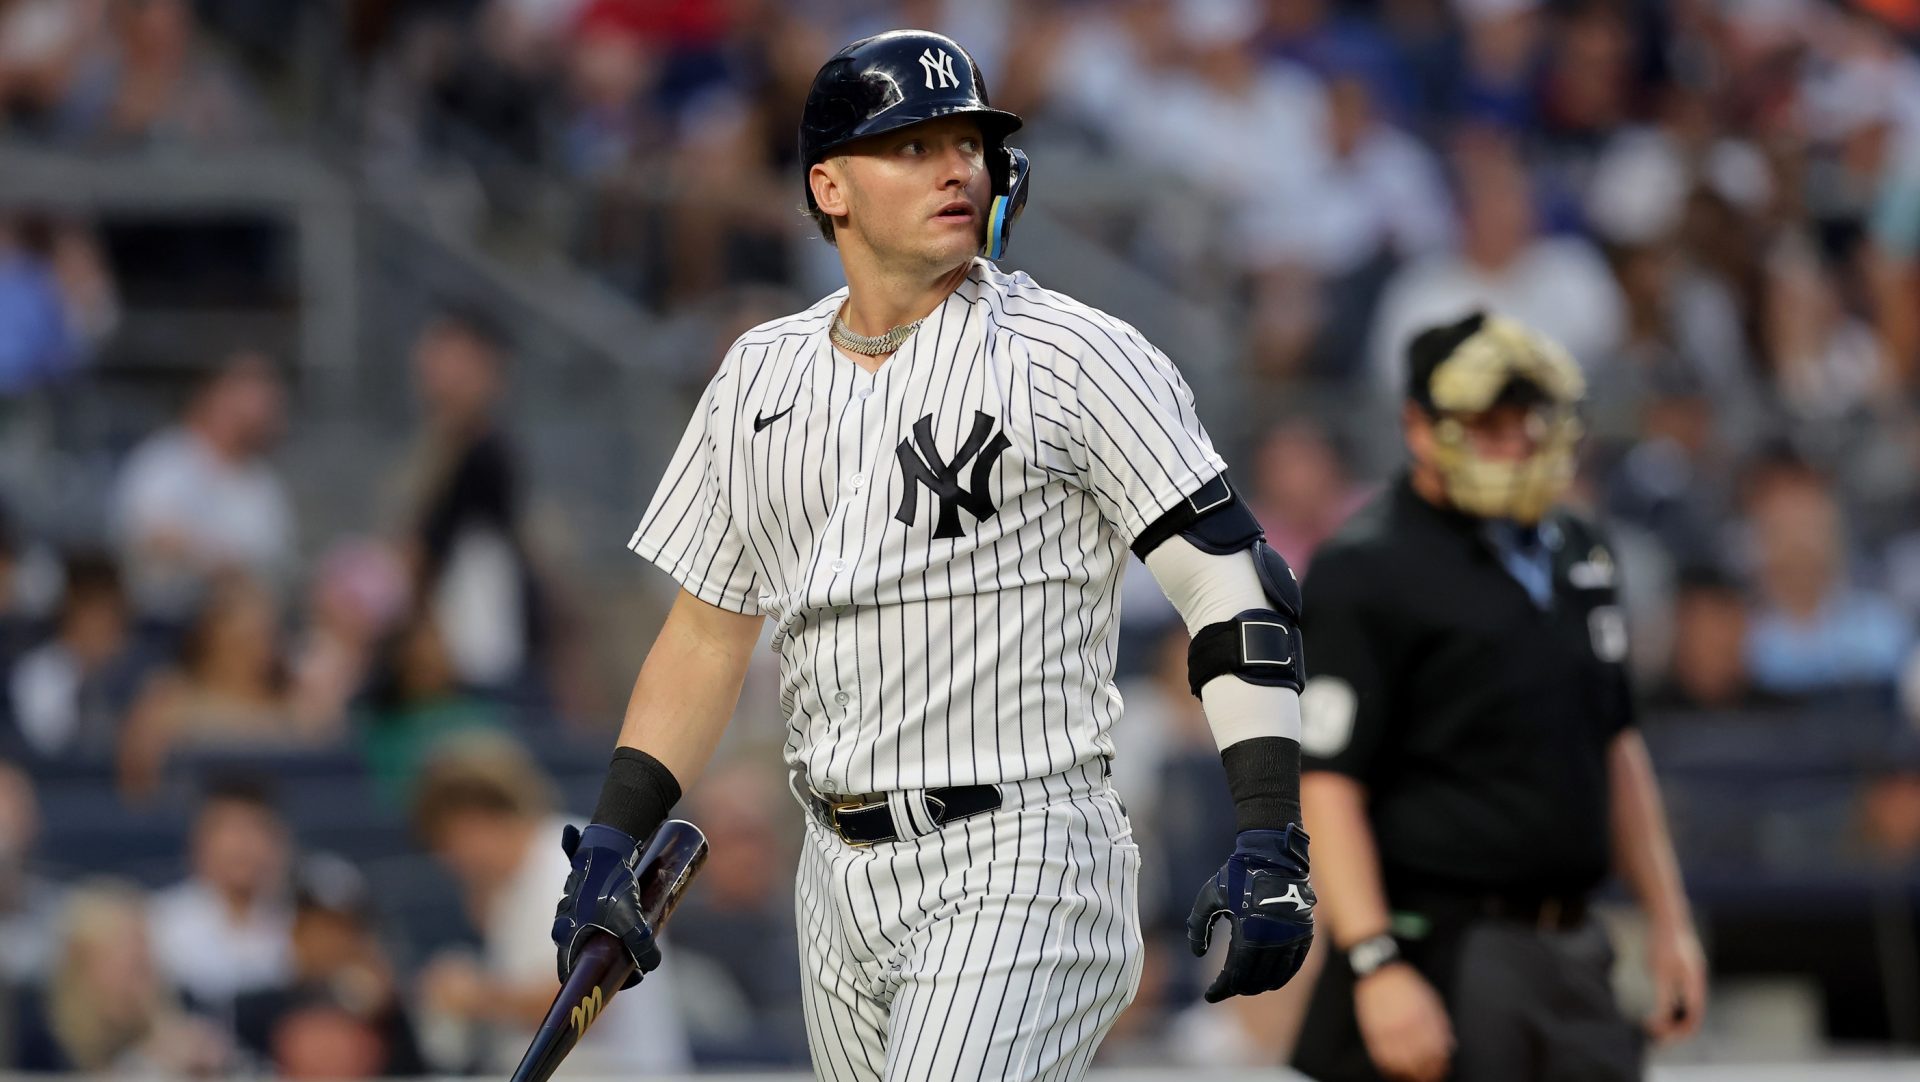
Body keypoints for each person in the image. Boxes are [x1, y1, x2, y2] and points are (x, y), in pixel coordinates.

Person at [549, 29, 1316, 1082]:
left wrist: (1272, 831)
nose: (956, 165)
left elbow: (1235, 584)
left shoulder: (1071, 353)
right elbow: (705, 633)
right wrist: (610, 836)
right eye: (912, 146)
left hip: (1024, 850)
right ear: (830, 186)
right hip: (836, 871)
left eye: (969, 142)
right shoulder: (758, 374)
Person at [1290, 312, 1708, 1082]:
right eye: (1488, 422)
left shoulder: (1581, 549)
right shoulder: (1368, 567)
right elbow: (1326, 782)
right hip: (1446, 949)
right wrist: (1377, 962)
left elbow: (1614, 742)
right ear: (1419, 426)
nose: (1516, 442)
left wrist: (1669, 921)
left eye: (1528, 419)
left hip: (1577, 944)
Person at [410, 739, 690, 1075]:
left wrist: (475, 995)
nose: (452, 861)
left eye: (450, 840)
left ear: (476, 819)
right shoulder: (511, 887)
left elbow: (589, 1001)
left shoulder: (569, 866)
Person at [146, 777, 296, 1013]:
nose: (242, 844)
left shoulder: (302, 919)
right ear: (199, 841)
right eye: (228, 830)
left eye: (255, 828)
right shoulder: (160, 922)